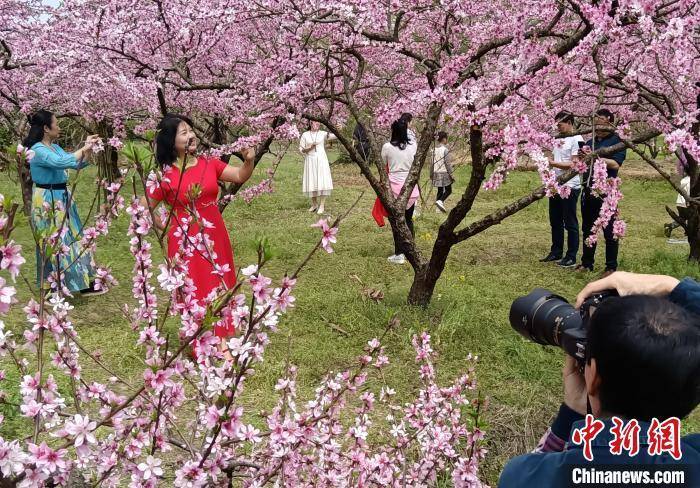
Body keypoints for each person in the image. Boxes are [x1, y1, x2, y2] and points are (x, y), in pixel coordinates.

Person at [499, 271, 700, 488]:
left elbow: (534, 468)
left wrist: (570, 413)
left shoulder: (523, 477)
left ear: (593, 377)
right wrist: (673, 286)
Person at [145, 114, 255, 357]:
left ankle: (223, 336)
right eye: (183, 132)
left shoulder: (209, 163)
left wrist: (249, 160)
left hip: (215, 232)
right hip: (185, 240)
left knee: (219, 282)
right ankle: (202, 340)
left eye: (190, 130)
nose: (191, 135)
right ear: (170, 141)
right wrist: (166, 228)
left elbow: (239, 176)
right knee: (196, 287)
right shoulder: (164, 175)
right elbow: (145, 206)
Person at [24, 110, 104, 296]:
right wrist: (83, 148)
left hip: (61, 195)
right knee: (52, 239)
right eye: (56, 124)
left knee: (73, 236)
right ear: (46, 128)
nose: (59, 127)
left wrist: (88, 149)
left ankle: (80, 282)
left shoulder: (55, 147)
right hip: (47, 197)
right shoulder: (37, 150)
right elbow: (60, 162)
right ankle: (51, 285)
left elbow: (76, 163)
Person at [577, 109, 627, 278]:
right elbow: (583, 164)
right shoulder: (590, 142)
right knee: (588, 228)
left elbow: (615, 164)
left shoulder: (617, 141)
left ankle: (611, 267)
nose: (597, 126)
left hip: (608, 194)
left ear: (610, 122)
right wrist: (582, 157)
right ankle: (587, 263)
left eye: (601, 122)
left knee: (609, 230)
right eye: (595, 122)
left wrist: (596, 157)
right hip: (589, 189)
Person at [540, 112, 583, 268]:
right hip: (556, 184)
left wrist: (552, 163)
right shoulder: (558, 138)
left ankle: (571, 256)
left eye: (561, 124)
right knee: (555, 220)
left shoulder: (577, 139)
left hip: (571, 185)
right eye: (557, 124)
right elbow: (553, 156)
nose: (558, 127)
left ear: (570, 122)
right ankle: (556, 251)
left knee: (570, 221)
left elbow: (575, 164)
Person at [381, 119, 419, 265]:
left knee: (396, 222)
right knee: (408, 219)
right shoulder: (413, 146)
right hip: (410, 187)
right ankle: (411, 251)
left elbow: (383, 163)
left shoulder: (387, 147)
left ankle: (399, 253)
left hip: (395, 188)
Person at [299, 121, 336, 215]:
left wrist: (337, 128)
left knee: (322, 180)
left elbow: (334, 136)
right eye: (315, 123)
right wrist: (310, 148)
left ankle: (322, 205)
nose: (317, 124)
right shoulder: (305, 135)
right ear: (311, 123)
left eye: (318, 123)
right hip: (310, 160)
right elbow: (301, 149)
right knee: (312, 180)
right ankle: (314, 204)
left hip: (321, 160)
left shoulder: (323, 133)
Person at [664, 150, 691, 243]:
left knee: (682, 219)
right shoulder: (692, 182)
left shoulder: (684, 180)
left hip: (679, 203)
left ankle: (670, 226)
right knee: (690, 218)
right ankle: (688, 232)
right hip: (686, 204)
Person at [430, 131, 454, 213]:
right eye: (446, 138)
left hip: (436, 172)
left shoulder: (434, 150)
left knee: (440, 191)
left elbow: (432, 163)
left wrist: (431, 174)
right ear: (444, 139)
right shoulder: (445, 150)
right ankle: (440, 201)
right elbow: (447, 164)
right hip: (444, 173)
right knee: (448, 190)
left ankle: (438, 209)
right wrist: (451, 174)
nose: (446, 140)